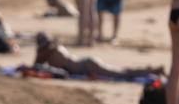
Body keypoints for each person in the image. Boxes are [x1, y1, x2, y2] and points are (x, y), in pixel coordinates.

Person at [33, 33, 163, 80]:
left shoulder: (50, 51)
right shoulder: (53, 49)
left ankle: (150, 71)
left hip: (86, 66)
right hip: (86, 64)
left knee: (121, 74)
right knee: (120, 72)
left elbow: (36, 64)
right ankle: (149, 70)